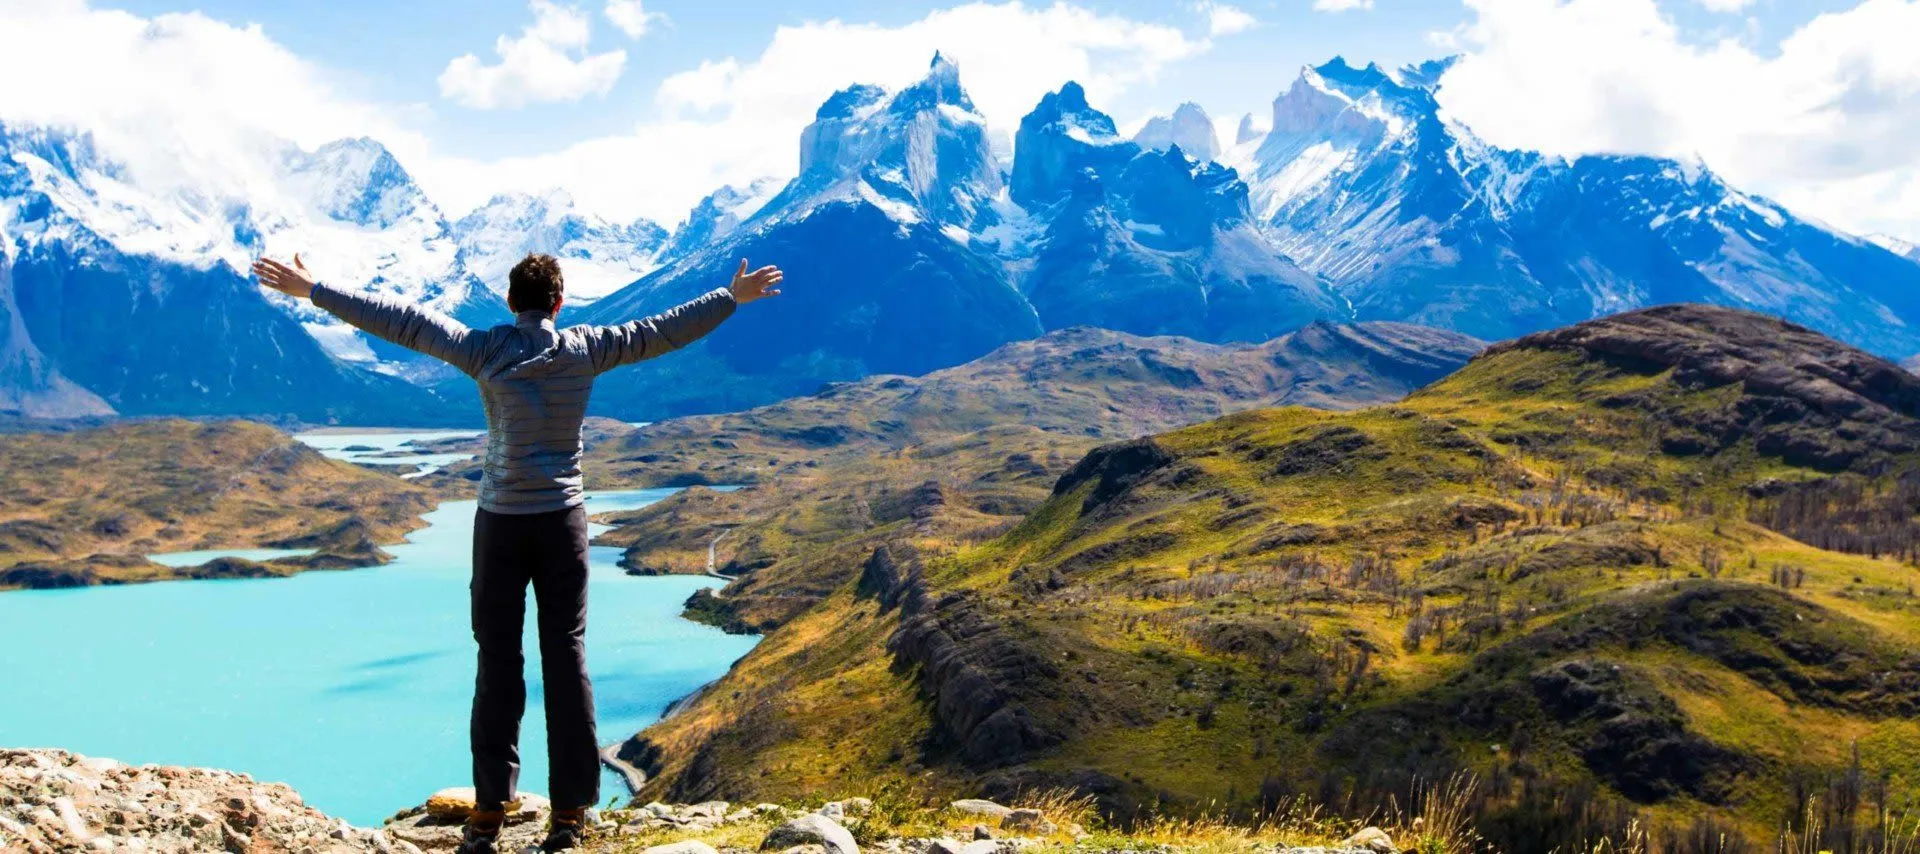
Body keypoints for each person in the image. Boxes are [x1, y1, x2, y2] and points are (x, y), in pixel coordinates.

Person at [253, 252, 782, 853]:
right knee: (566, 657)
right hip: (563, 523)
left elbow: (401, 320)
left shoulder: (484, 350)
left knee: (498, 660)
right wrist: (729, 298)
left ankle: (487, 814)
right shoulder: (587, 347)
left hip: (500, 523)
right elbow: (662, 331)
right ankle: (569, 816)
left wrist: (316, 288)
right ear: (560, 304)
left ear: (511, 303)